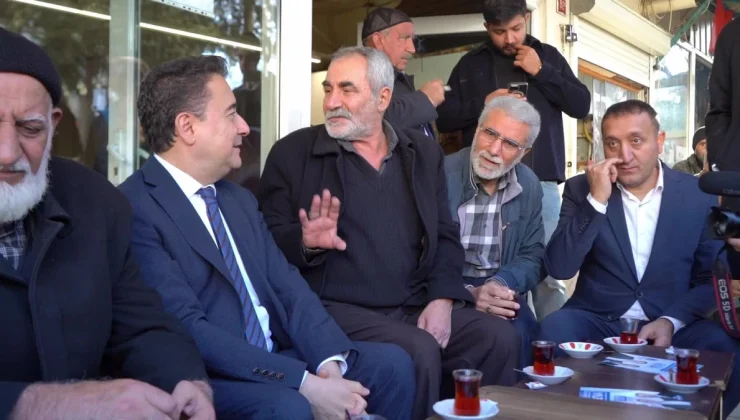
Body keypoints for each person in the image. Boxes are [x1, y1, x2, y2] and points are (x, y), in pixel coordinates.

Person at [118, 55, 415, 420]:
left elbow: (288, 287)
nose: (244, 127)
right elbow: (189, 328)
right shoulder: (135, 207)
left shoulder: (238, 199)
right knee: (288, 405)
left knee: (394, 365)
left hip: (278, 355)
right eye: (231, 114)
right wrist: (304, 383)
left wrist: (329, 367)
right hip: (210, 377)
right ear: (187, 127)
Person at [258, 46, 519, 420]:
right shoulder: (293, 153)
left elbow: (445, 233)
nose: (331, 102)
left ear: (383, 98)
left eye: (347, 89)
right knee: (419, 349)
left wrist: (443, 298)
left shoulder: (422, 153)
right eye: (328, 89)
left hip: (412, 303)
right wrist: (304, 242)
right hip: (334, 309)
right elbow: (263, 244)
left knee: (498, 338)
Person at [0, 27, 214, 420]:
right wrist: (47, 404)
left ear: (53, 125)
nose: (7, 152)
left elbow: (141, 326)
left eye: (30, 129)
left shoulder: (94, 203)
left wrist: (187, 382)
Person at [539, 100, 740, 416]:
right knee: (553, 329)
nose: (624, 155)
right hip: (599, 318)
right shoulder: (581, 188)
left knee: (726, 348)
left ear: (659, 142)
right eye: (612, 143)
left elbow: (709, 279)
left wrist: (671, 321)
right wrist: (596, 200)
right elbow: (560, 267)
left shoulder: (697, 194)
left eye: (636, 140)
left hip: (673, 318)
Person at [436, 0, 590, 320]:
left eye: (516, 29)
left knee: (546, 274)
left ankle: (548, 341)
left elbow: (581, 105)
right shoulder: (471, 64)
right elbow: (444, 118)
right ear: (486, 28)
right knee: (475, 265)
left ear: (527, 19)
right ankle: (494, 330)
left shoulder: (547, 56)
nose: (509, 38)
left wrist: (543, 72)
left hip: (541, 181)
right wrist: (483, 103)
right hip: (480, 183)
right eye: (499, 31)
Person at [444, 96, 545, 367]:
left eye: (510, 143)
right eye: (489, 133)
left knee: (526, 334)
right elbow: (416, 253)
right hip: (446, 287)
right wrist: (467, 293)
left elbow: (533, 255)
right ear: (477, 129)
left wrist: (500, 284)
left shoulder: (529, 185)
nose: (494, 149)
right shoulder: (439, 174)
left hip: (501, 283)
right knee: (493, 338)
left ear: (524, 152)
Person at [361, 7, 446, 138]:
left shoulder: (396, 78)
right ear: (378, 40)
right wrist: (425, 99)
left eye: (412, 39)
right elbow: (378, 122)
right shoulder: (360, 78)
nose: (412, 49)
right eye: (404, 38)